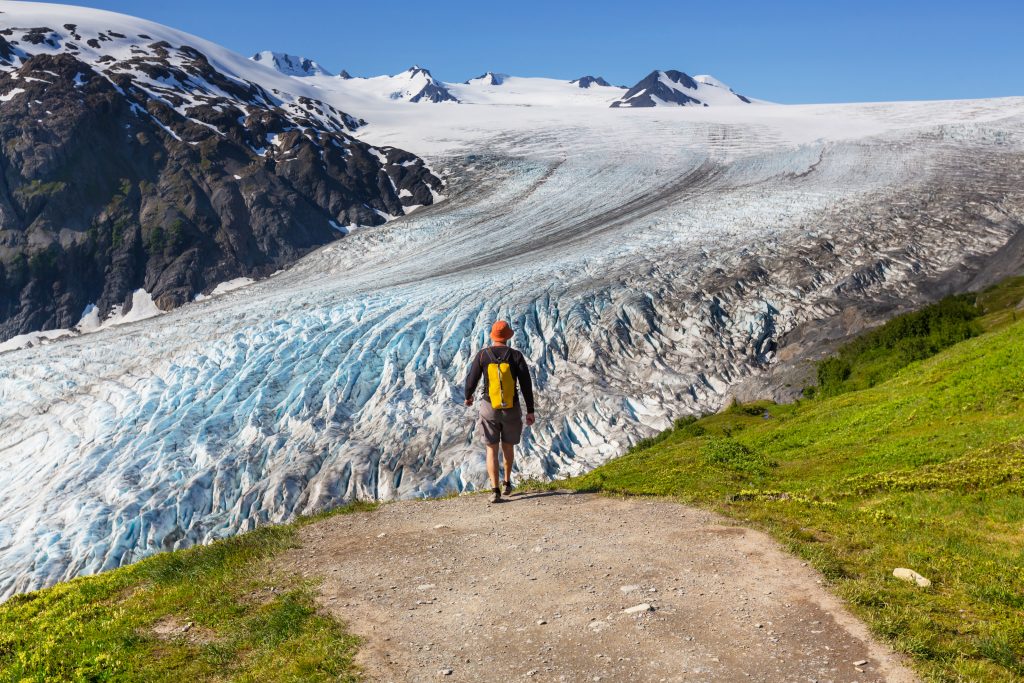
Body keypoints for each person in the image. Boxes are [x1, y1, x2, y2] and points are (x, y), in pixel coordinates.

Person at [464, 320, 536, 503]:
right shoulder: (516, 356)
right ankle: (507, 483)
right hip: (511, 408)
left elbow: (472, 379)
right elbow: (526, 385)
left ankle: (494, 489)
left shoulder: (483, 355)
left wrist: (468, 396)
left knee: (491, 449)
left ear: (493, 336)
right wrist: (530, 410)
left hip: (489, 408)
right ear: (508, 337)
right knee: (508, 447)